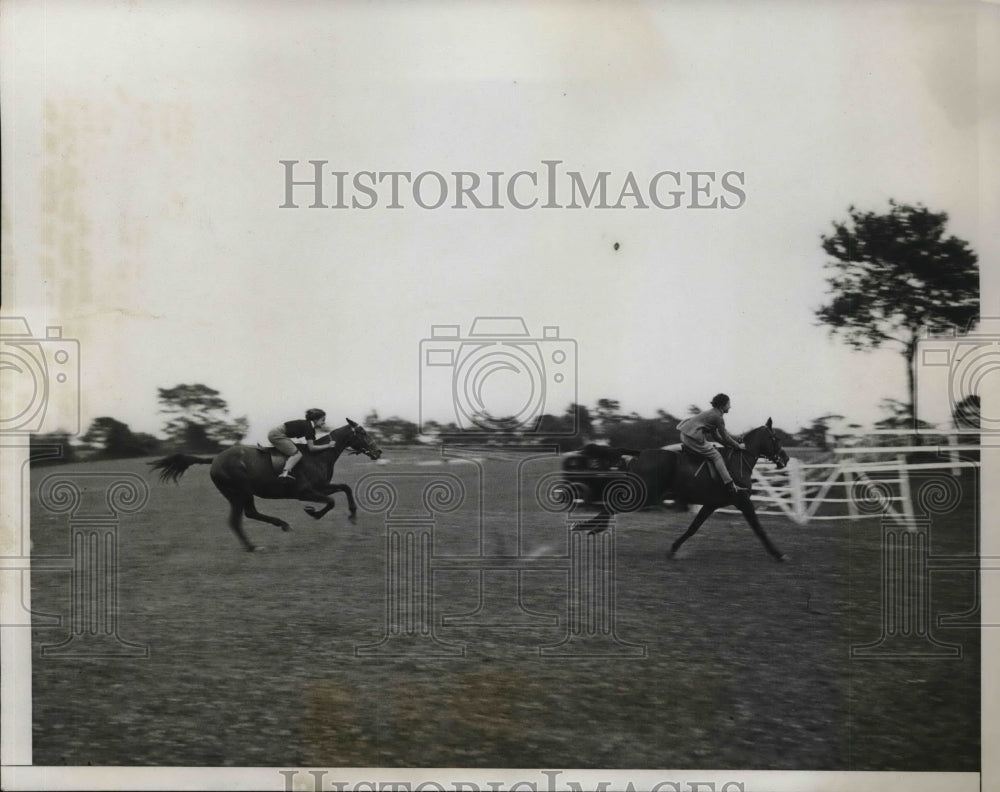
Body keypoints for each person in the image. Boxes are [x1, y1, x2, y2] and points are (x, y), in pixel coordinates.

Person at [676, 394, 748, 494]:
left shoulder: (713, 413)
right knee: (716, 455)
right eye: (728, 404)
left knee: (713, 450)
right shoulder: (718, 417)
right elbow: (725, 436)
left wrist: (727, 445)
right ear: (722, 405)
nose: (730, 406)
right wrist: (738, 446)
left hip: (686, 435)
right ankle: (730, 485)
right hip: (692, 437)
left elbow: (716, 436)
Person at [268, 408, 332, 480]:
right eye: (323, 420)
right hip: (277, 435)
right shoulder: (309, 427)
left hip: (277, 433)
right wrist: (328, 445)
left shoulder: (308, 425)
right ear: (316, 419)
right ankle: (285, 473)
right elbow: (312, 448)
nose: (324, 422)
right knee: (297, 454)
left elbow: (321, 430)